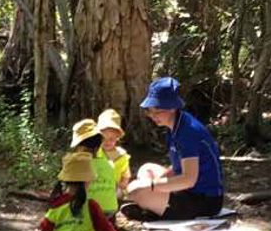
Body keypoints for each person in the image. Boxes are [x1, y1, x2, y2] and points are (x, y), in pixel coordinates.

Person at [123, 77, 225, 220]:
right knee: (147, 169)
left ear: (172, 108)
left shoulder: (188, 132)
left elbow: (189, 180)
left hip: (204, 201)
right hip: (188, 189)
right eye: (149, 111)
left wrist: (152, 186)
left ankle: (153, 208)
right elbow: (178, 166)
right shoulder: (175, 126)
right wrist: (158, 181)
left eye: (157, 111)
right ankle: (153, 205)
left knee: (136, 190)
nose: (152, 116)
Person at [41, 152, 176, 231]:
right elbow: (104, 227)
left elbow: (45, 227)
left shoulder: (56, 205)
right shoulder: (90, 205)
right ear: (88, 182)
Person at [70, 118, 119, 216]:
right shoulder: (109, 164)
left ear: (80, 147)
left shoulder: (79, 164)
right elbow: (114, 187)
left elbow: (74, 190)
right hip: (111, 210)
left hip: (90, 211)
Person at [98, 109, 132, 196]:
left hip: (115, 187)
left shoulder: (122, 156)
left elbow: (126, 174)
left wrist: (123, 183)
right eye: (103, 138)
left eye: (111, 139)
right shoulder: (96, 153)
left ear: (117, 137)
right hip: (98, 185)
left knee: (118, 192)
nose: (107, 142)